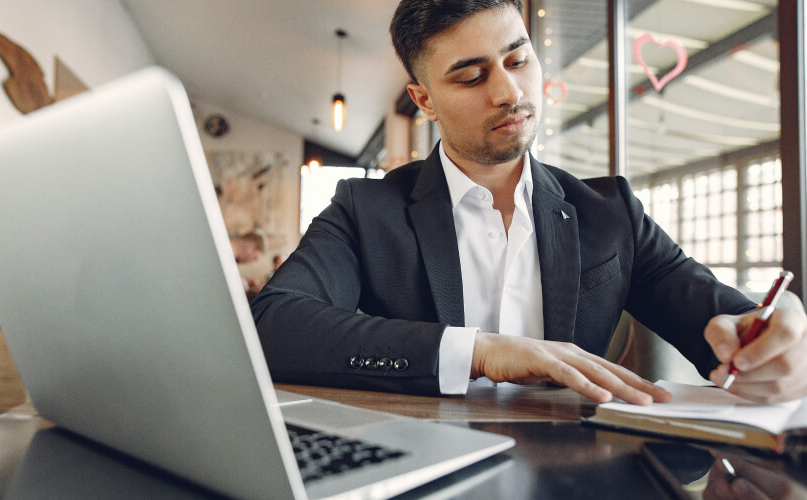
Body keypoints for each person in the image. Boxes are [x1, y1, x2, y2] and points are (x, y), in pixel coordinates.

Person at [251, 0, 807, 404]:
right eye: (471, 77)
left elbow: (722, 321)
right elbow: (274, 326)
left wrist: (777, 333)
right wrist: (479, 352)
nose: (509, 93)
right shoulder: (363, 209)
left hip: (579, 473)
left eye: (518, 61)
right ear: (424, 101)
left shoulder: (610, 211)